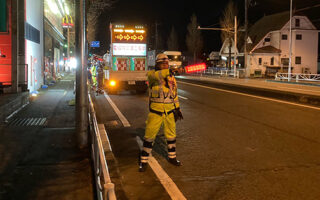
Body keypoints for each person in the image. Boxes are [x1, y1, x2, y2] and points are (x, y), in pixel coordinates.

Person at [139, 53, 184, 172]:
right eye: (163, 63)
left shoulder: (171, 77)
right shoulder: (152, 75)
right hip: (155, 112)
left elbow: (174, 95)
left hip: (169, 111)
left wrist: (178, 108)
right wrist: (170, 70)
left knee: (171, 136)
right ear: (158, 64)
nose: (165, 65)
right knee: (149, 137)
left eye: (167, 63)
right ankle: (143, 161)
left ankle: (172, 158)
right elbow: (157, 76)